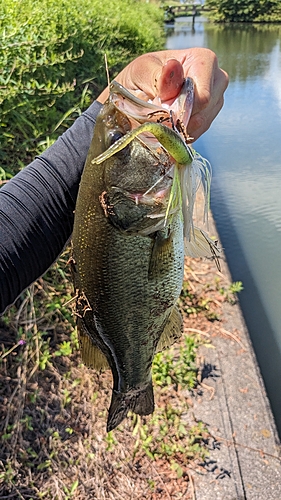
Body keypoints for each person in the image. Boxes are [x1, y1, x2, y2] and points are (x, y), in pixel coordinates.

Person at [0, 48, 228, 315]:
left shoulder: (132, 205)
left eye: (120, 141)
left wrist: (119, 94)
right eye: (119, 142)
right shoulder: (137, 207)